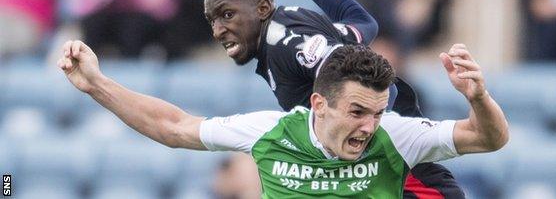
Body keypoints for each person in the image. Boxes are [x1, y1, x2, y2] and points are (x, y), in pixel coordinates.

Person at [57, 40, 509, 197]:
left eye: (376, 112)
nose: (369, 126)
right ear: (318, 104)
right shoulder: (271, 131)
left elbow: (489, 139)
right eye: (356, 112)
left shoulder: (397, 134)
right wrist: (98, 84)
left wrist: (479, 97)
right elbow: (174, 127)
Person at [205, 0, 464, 197]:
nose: (218, 30)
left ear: (261, 9)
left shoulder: (286, 44)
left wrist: (368, 144)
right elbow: (365, 22)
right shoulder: (295, 22)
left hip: (401, 177)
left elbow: (375, 88)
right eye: (212, 20)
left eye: (227, 15)